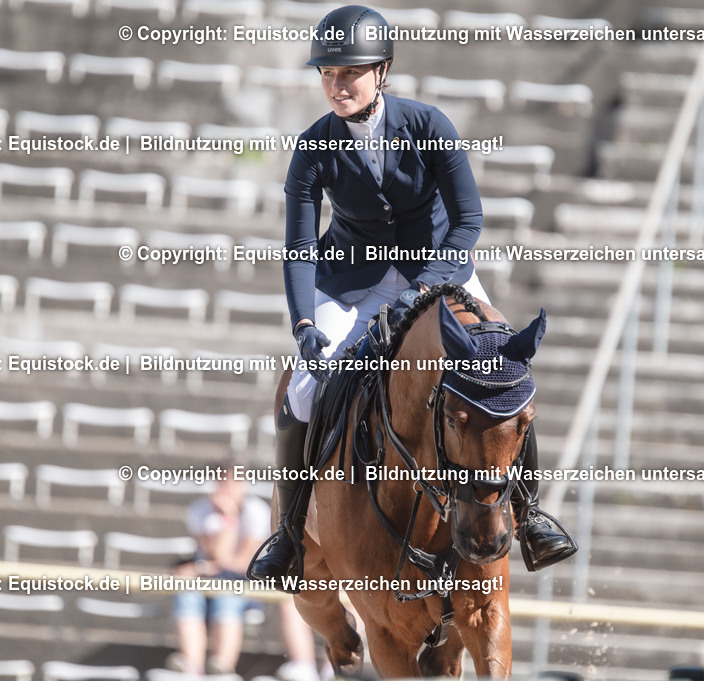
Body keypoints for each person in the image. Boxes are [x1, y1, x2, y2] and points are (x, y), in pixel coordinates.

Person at [247, 5, 577, 583]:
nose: (336, 84)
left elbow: (469, 220)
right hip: (351, 281)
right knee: (301, 391)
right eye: (327, 73)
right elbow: (300, 247)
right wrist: (305, 327)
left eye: (349, 72)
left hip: (439, 267)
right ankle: (290, 533)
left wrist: (426, 284)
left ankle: (530, 515)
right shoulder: (312, 148)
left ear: (383, 71)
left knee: (501, 367)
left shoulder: (427, 125)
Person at [171, 470, 270, 674]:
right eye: (223, 481)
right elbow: (216, 556)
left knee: (228, 595)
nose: (227, 487)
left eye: (234, 481)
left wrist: (229, 518)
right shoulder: (200, 509)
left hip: (243, 583)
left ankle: (222, 668)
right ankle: (191, 669)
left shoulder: (257, 511)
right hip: (211, 578)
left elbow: (243, 564)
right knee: (186, 593)